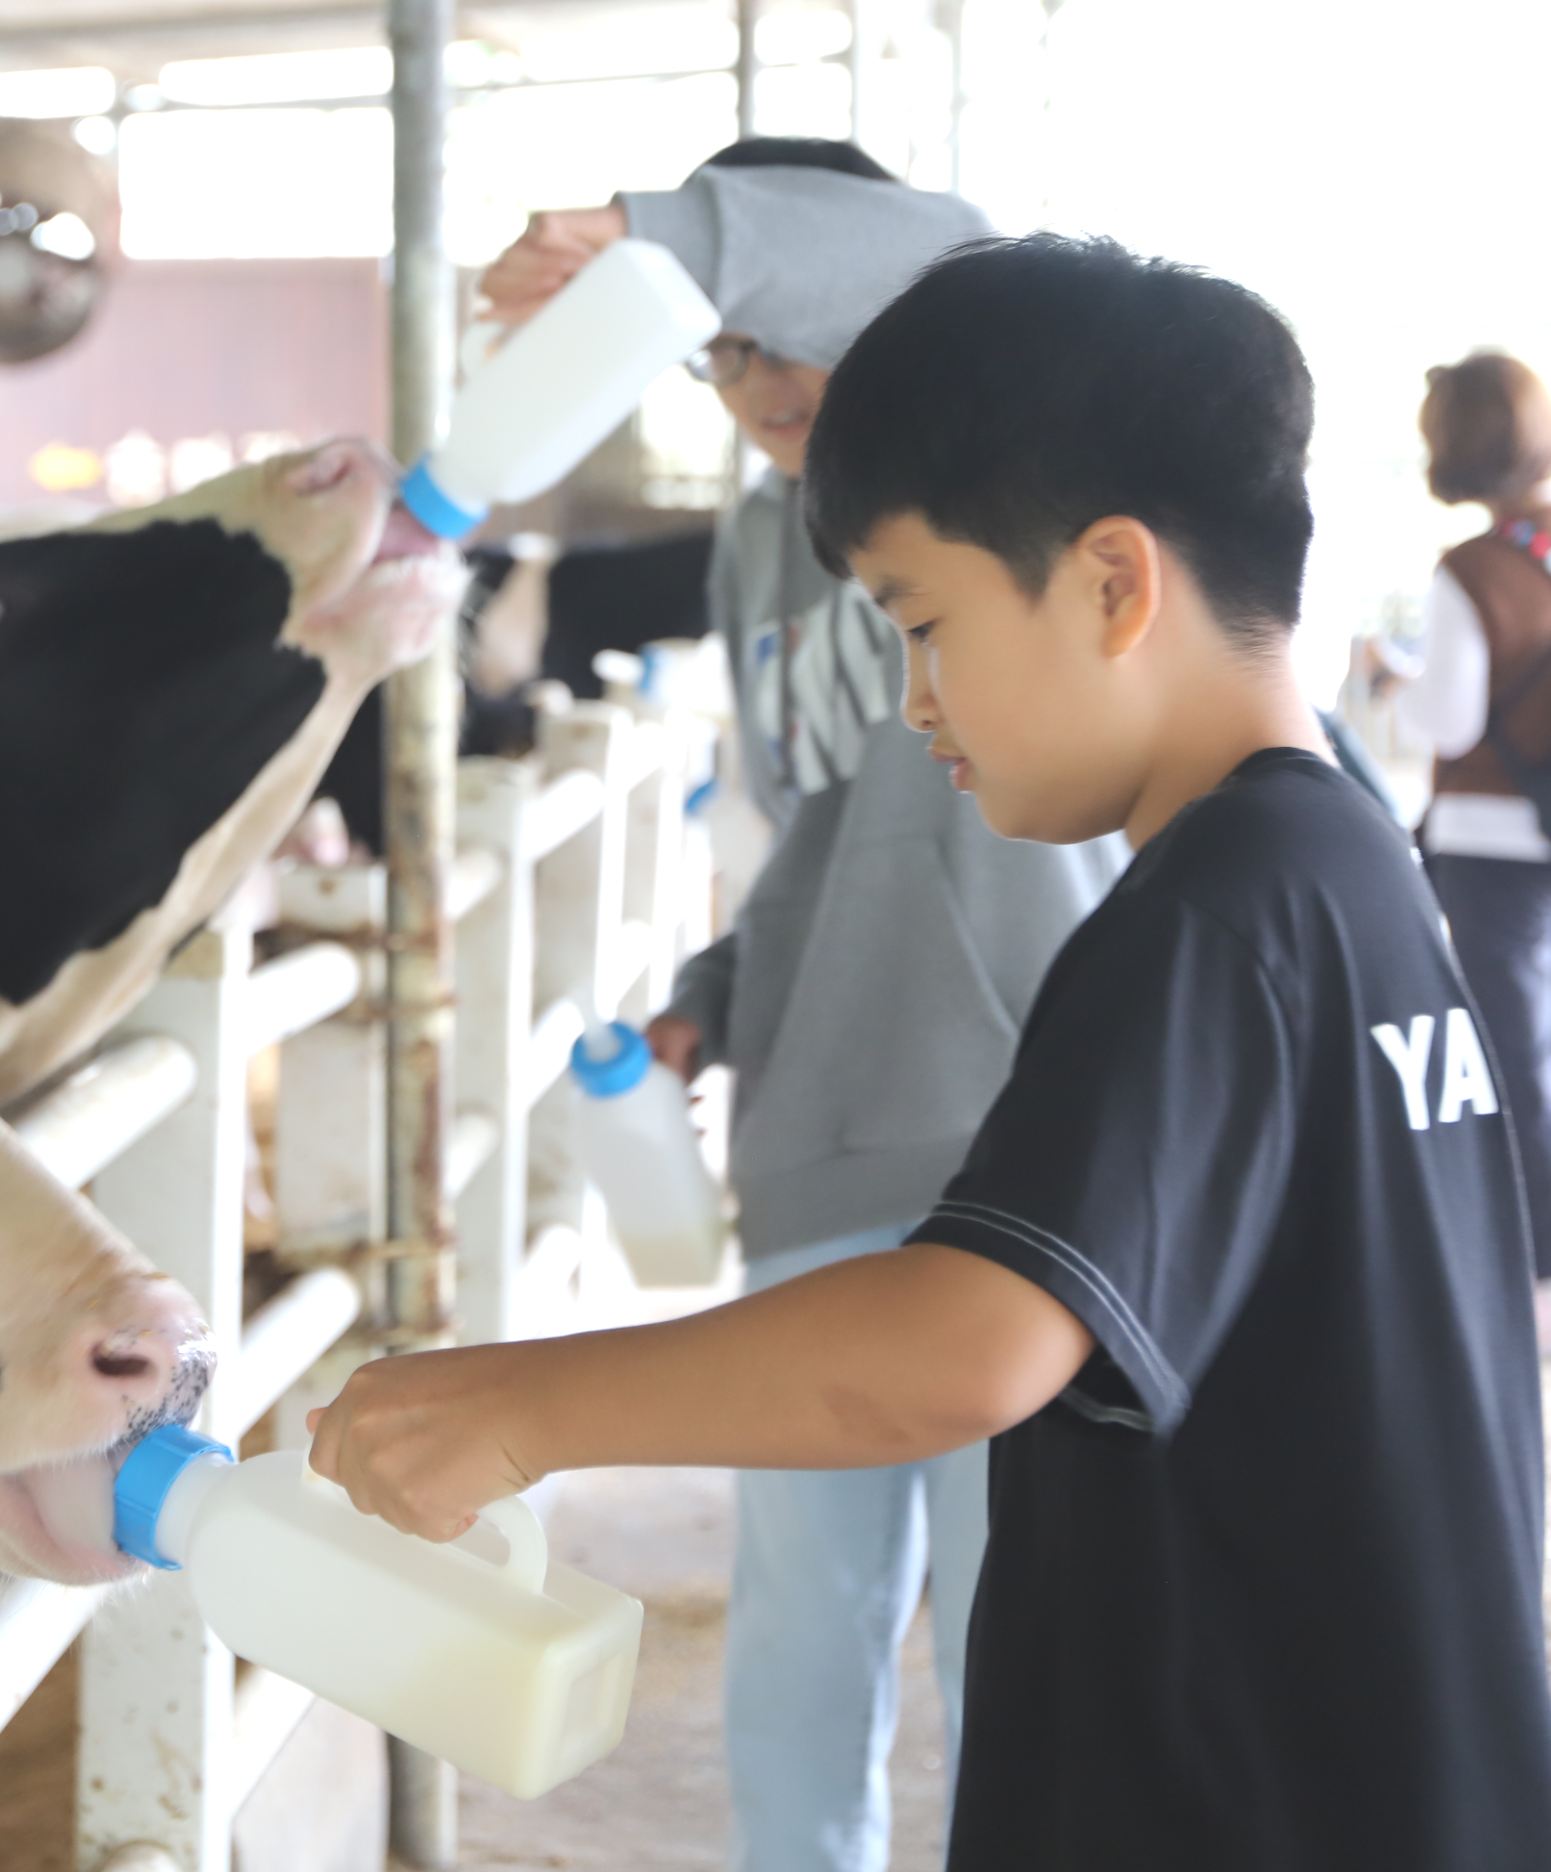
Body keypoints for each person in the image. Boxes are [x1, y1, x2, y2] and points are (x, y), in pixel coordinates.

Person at [310, 235, 1551, 1872]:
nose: (917, 706)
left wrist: (523, 1405)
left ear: (1114, 585)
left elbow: (963, 1341)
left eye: (924, 624)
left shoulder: (1205, 920)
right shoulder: (1348, 875)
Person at [479, 140, 1122, 1871]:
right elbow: (811, 834)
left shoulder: (1008, 458)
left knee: (1015, 1634)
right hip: (816, 1141)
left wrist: (657, 238)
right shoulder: (765, 545)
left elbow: (957, 243)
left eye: (779, 324)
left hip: (1028, 1142)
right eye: (720, 349)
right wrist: (711, 996)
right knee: (798, 1645)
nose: (757, 378)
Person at [1394, 352, 1551, 1361]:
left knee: (1515, 1054)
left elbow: (1448, 718)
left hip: (1496, 845)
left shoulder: (1473, 568)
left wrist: (1397, 686)